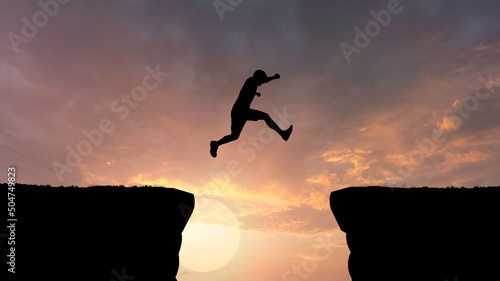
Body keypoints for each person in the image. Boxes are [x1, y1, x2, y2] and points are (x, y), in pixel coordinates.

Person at [210, 69, 293, 158]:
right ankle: (283, 134)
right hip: (241, 110)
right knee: (265, 116)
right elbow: (261, 81)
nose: (261, 83)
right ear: (258, 77)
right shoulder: (251, 81)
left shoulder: (252, 84)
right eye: (261, 80)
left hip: (237, 112)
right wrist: (273, 77)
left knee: (234, 136)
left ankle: (216, 144)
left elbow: (249, 90)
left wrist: (255, 93)